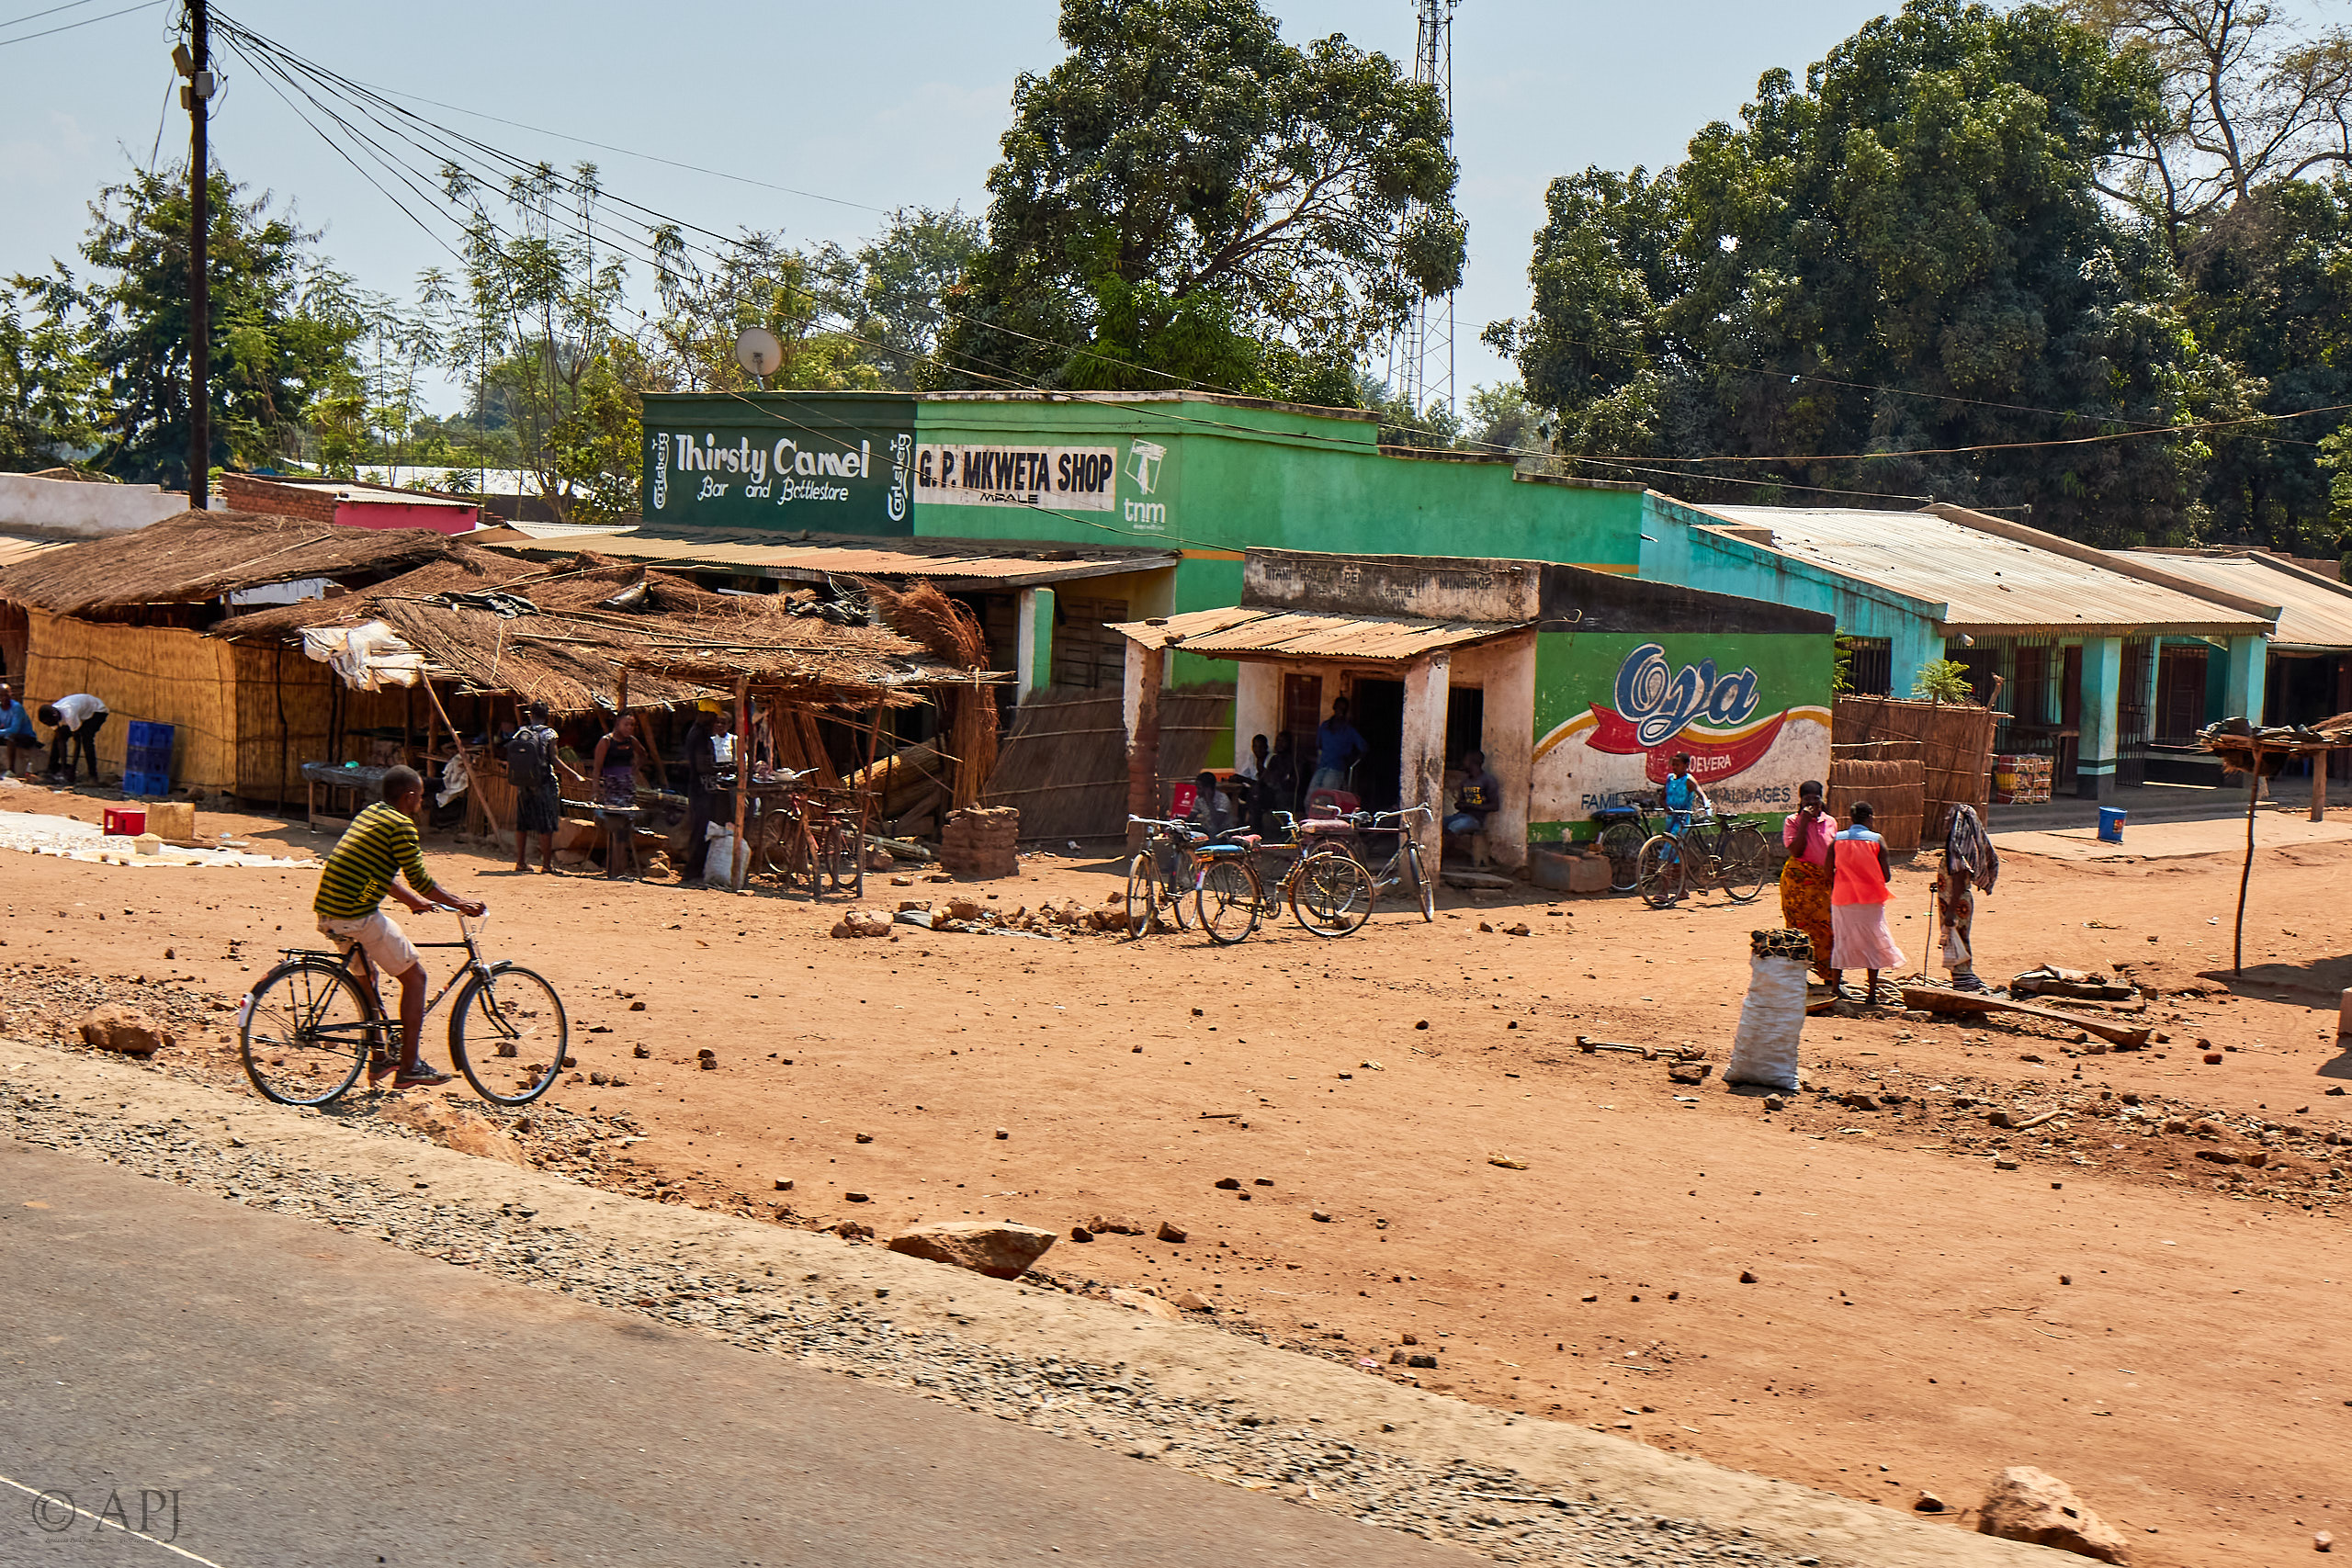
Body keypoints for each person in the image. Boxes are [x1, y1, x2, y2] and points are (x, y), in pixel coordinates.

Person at [312, 765, 486, 1089]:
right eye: (420, 796)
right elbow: (420, 880)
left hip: (329, 911)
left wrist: (411, 901)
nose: (422, 801)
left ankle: (379, 1060)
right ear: (408, 797)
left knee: (368, 978)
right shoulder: (402, 826)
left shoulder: (371, 815)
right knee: (416, 978)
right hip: (356, 914)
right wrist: (460, 903)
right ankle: (409, 1066)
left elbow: (379, 874)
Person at [1827, 800, 1904, 1008]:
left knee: (1841, 941)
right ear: (1870, 817)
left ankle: (1835, 989)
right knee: (1872, 942)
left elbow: (1827, 872)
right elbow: (1886, 876)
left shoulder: (1837, 839)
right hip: (1871, 899)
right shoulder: (1877, 840)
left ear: (1851, 818)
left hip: (1842, 899)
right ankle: (1871, 993)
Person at [506, 701, 581, 875]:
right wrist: (573, 774)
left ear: (530, 714)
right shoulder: (549, 733)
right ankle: (546, 865)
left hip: (524, 783)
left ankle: (520, 862)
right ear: (546, 715)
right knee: (546, 823)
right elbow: (554, 759)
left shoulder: (521, 732)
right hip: (544, 781)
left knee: (522, 822)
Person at [1937, 803, 2000, 993]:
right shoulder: (1960, 848)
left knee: (1957, 942)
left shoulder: (1957, 851)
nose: (1945, 822)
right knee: (1956, 941)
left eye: (1949, 819)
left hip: (1955, 903)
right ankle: (1962, 980)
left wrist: (1950, 912)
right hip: (1955, 901)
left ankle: (1964, 982)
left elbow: (1957, 881)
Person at [1779, 781, 1836, 988]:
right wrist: (1804, 821)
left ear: (1821, 799)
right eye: (1807, 799)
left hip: (1823, 884)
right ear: (1801, 801)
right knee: (1799, 928)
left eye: (1816, 798)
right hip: (1798, 883)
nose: (1812, 802)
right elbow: (1796, 850)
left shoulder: (1830, 821)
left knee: (1827, 927)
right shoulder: (1792, 821)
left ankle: (1829, 975)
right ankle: (1798, 976)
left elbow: (1832, 852)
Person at [680, 701, 735, 886]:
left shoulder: (702, 734)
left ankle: (697, 870)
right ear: (705, 716)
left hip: (704, 790)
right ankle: (692, 872)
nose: (715, 722)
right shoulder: (699, 736)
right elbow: (702, 766)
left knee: (704, 831)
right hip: (700, 790)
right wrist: (724, 767)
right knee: (700, 832)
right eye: (713, 718)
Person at [591, 711, 650, 881]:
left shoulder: (632, 742)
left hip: (627, 790)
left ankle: (620, 871)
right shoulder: (606, 742)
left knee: (626, 830)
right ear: (617, 724)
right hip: (612, 790)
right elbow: (597, 768)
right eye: (626, 724)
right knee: (616, 829)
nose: (630, 728)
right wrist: (595, 791)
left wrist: (634, 770)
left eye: (632, 725)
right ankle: (614, 872)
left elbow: (644, 754)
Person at [39, 692, 107, 785]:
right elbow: (60, 740)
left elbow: (77, 743)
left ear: (55, 716)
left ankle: (93, 776)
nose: (50, 725)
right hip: (82, 713)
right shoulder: (51, 715)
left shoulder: (69, 714)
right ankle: (52, 770)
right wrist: (63, 769)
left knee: (86, 739)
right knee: (57, 739)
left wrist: (72, 770)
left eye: (50, 723)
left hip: (97, 711)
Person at [1444, 748, 1501, 858]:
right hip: (1460, 816)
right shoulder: (1466, 781)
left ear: (1472, 762)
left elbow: (1495, 806)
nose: (1463, 762)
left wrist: (1469, 805)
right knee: (1439, 823)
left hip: (1476, 820)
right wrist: (1460, 804)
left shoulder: (1488, 780)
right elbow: (1462, 802)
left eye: (1465, 760)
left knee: (1454, 827)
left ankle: (1444, 857)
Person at [1311, 696, 1365, 795]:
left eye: (1343, 710)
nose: (1341, 712)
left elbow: (1364, 748)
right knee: (1310, 797)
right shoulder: (1325, 726)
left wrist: (1351, 761)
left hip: (1336, 768)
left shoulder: (1349, 730)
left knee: (1325, 797)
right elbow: (1318, 746)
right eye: (1339, 708)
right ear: (1334, 707)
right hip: (1322, 766)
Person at [1234, 733, 1271, 831]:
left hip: (1269, 793)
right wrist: (1238, 778)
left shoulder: (1271, 759)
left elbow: (1263, 782)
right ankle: (1239, 826)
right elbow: (1244, 774)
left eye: (1261, 747)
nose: (1257, 750)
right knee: (1239, 794)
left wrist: (1243, 779)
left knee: (1254, 796)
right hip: (1254, 791)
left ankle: (1255, 829)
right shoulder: (1252, 758)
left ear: (1266, 747)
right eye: (1255, 746)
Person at [1261, 731, 1301, 824]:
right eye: (1278, 740)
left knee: (1281, 797)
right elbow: (1265, 777)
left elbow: (1295, 781)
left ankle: (1286, 828)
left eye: (1283, 741)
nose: (1280, 744)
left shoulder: (1295, 760)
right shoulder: (1275, 759)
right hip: (1274, 790)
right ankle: (1255, 828)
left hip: (1289, 793)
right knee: (1255, 794)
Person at [0, 683, 38, 778]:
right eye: (1, 696)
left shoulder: (17, 708)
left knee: (11, 736)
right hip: (7, 735)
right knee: (8, 736)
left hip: (26, 737)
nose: (3, 698)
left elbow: (14, 729)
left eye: (6, 695)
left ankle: (11, 770)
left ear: (11, 695)